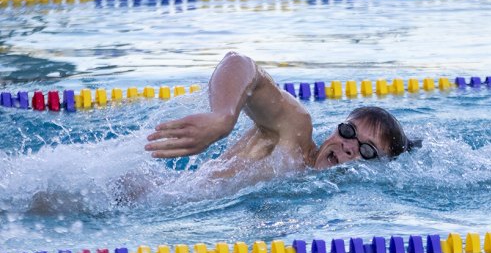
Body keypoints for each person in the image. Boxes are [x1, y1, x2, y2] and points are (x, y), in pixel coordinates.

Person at [145, 52, 420, 177]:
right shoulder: (294, 133)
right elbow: (239, 63)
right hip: (138, 196)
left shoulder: (308, 187)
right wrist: (223, 117)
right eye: (348, 132)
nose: (348, 147)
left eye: (368, 150)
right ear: (335, 130)